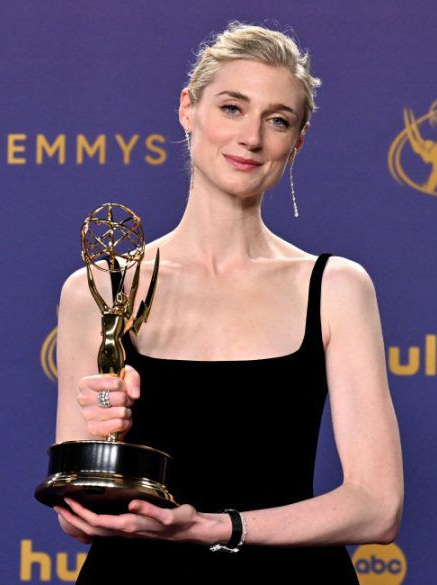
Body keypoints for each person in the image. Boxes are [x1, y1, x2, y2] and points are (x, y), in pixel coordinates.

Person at [52, 21, 404, 583]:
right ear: (188, 109)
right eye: (232, 108)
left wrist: (218, 528)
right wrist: (101, 437)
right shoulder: (96, 290)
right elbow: (79, 516)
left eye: (278, 120)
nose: (252, 138)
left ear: (298, 141)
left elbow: (378, 506)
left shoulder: (334, 287)